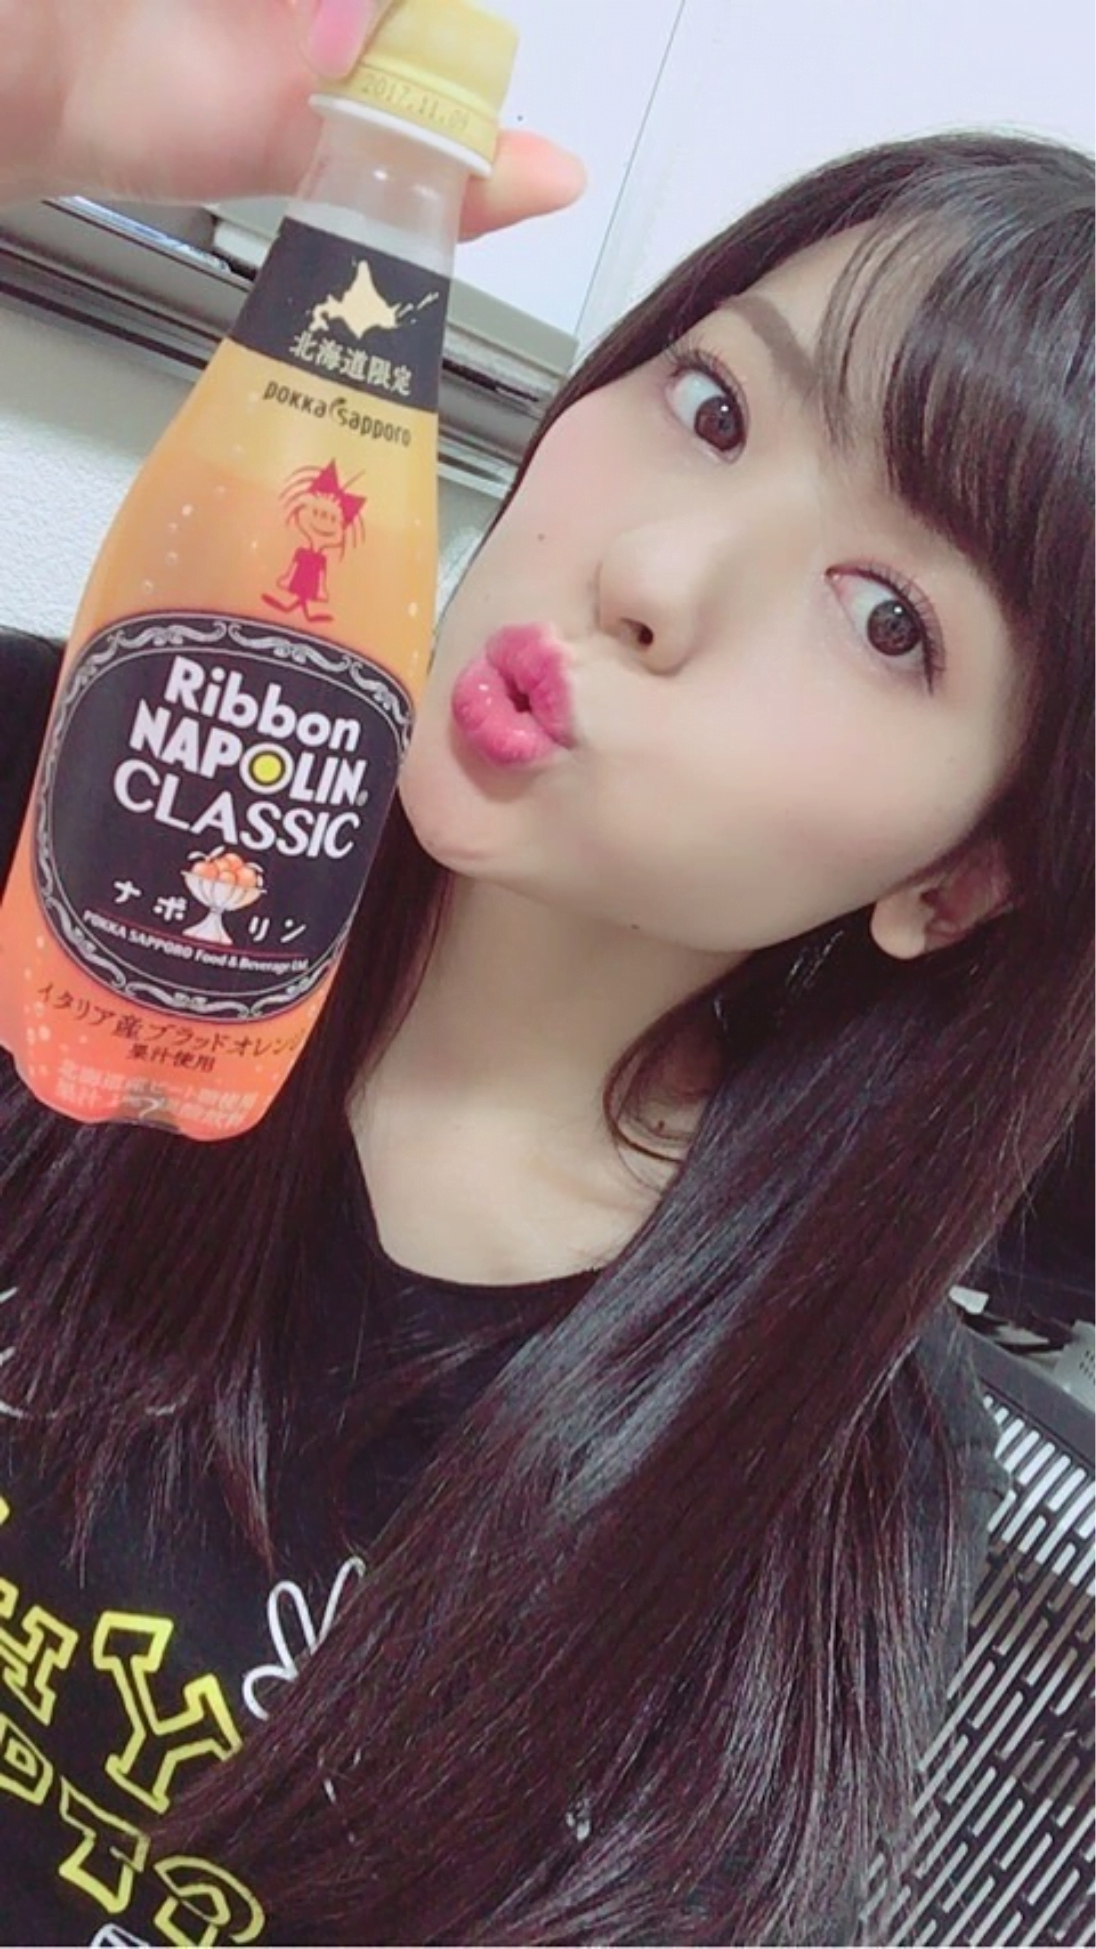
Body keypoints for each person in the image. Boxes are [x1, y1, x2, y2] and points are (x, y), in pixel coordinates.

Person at [2, 2, 1093, 1943]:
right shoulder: (61, 794)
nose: (653, 575)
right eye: (713, 407)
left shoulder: (822, 1462)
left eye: (885, 619)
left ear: (957, 879)